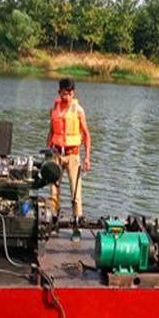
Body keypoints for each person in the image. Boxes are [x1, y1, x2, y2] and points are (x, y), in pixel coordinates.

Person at [46, 77, 91, 240]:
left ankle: (76, 227)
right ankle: (54, 223)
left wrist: (86, 157)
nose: (66, 97)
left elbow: (86, 135)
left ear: (73, 93)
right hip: (57, 154)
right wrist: (48, 152)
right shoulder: (55, 107)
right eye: (63, 94)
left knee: (75, 193)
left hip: (72, 155)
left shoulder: (78, 110)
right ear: (59, 92)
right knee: (54, 191)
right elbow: (51, 131)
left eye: (69, 94)